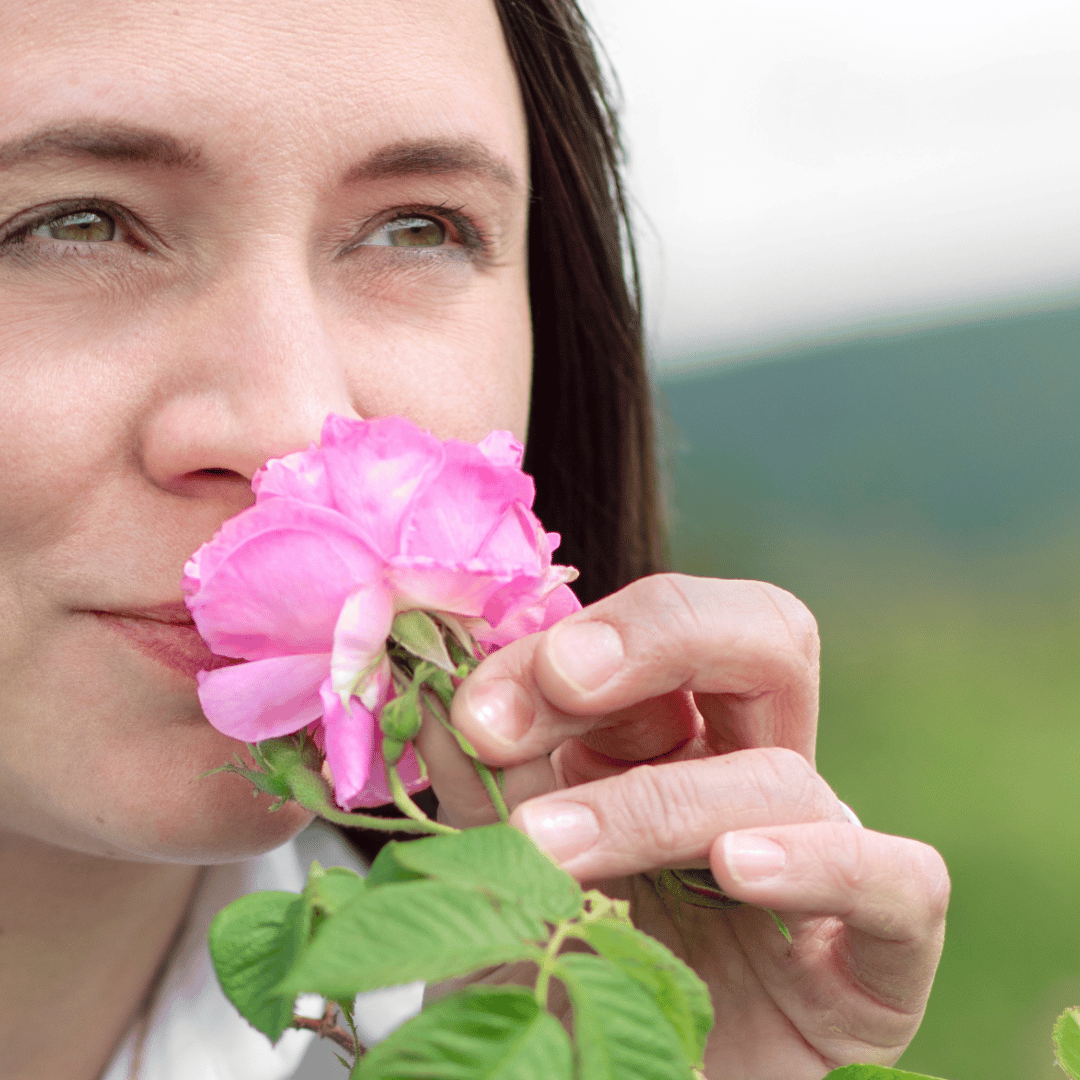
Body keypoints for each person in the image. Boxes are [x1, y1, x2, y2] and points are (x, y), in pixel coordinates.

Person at [0, 0, 950, 1077]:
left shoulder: (482, 1016)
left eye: (418, 226)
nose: (296, 423)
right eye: (73, 222)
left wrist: (639, 1052)